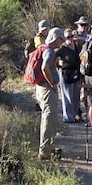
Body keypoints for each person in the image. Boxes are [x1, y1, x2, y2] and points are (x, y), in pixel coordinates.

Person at [36, 27, 65, 160]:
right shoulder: (50, 51)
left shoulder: (43, 48)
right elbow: (44, 67)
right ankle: (45, 151)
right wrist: (52, 83)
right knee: (48, 119)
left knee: (49, 118)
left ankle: (48, 148)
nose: (63, 42)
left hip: (41, 88)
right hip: (47, 89)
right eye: (61, 39)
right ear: (56, 38)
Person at [55, 29, 81, 123]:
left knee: (75, 97)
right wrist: (59, 64)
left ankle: (74, 115)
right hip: (65, 74)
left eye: (71, 36)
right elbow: (52, 58)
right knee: (67, 96)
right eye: (67, 37)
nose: (69, 39)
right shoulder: (62, 49)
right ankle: (68, 117)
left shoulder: (77, 46)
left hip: (76, 74)